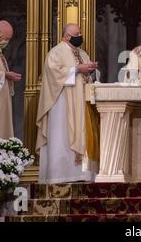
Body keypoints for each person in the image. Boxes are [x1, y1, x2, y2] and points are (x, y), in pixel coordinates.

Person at [36, 23, 99, 184]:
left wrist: (92, 69)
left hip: (81, 101)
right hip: (63, 103)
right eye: (76, 33)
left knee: (82, 131)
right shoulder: (56, 52)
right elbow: (53, 74)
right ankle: (60, 173)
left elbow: (89, 74)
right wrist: (77, 69)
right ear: (66, 36)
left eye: (80, 33)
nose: (80, 36)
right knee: (62, 134)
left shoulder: (82, 53)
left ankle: (82, 174)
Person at [0, 20, 21, 139]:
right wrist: (5, 75)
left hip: (3, 98)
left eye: (8, 39)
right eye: (5, 38)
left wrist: (7, 76)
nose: (6, 42)